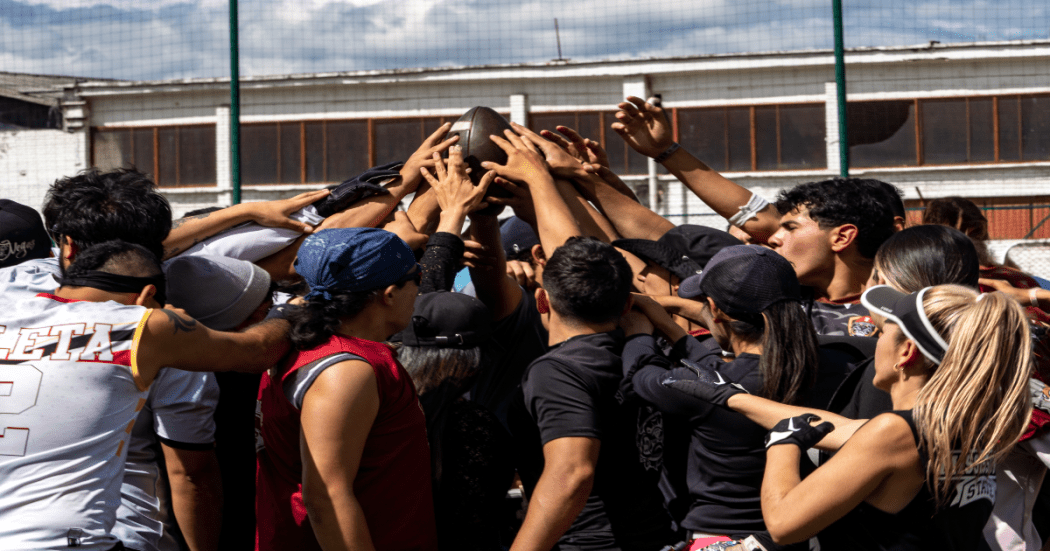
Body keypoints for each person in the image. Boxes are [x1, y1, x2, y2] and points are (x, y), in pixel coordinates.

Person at [667, 284, 1033, 550]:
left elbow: (782, 524)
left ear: (905, 352)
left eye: (883, 331)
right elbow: (839, 428)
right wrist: (733, 399)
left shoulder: (894, 431)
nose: (874, 338)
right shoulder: (962, 421)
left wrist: (782, 443)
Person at [0, 240, 292, 551]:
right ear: (147, 295)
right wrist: (290, 312)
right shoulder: (141, 324)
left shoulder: (8, 309)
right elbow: (256, 352)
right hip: (66, 543)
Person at [622, 245, 848, 551]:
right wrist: (668, 323)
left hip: (724, 538)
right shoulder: (837, 365)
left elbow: (641, 376)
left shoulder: (711, 387)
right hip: (805, 537)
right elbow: (713, 373)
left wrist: (638, 331)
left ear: (715, 310)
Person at [609, 96, 898, 336]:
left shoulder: (902, 312)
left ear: (843, 237)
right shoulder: (780, 299)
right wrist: (665, 151)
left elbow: (761, 218)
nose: (773, 239)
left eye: (791, 228)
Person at [255, 227, 436, 551]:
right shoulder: (345, 371)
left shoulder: (316, 346)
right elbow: (326, 498)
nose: (420, 287)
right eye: (417, 275)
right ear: (390, 294)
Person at [506, 237, 675, 551]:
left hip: (592, 544)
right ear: (626, 304)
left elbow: (571, 474)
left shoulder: (556, 372)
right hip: (655, 534)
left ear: (541, 301)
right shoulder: (647, 355)